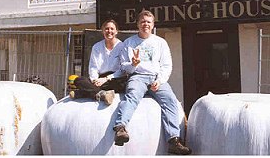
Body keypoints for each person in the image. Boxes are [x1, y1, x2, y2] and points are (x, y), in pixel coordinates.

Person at [113, 10, 192, 155]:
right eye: (143, 22)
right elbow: (124, 67)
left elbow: (167, 65)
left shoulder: (160, 42)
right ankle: (120, 128)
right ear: (137, 24)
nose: (145, 25)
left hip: (156, 78)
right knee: (132, 97)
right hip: (137, 76)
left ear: (153, 24)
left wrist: (160, 80)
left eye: (148, 22)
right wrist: (133, 65)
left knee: (171, 101)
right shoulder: (129, 43)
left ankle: (174, 140)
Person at [69, 19, 127, 105]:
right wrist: (95, 80)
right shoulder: (96, 47)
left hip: (114, 79)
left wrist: (106, 78)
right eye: (106, 29)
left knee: (125, 83)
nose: (109, 31)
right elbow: (93, 67)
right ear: (103, 31)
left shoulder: (122, 46)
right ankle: (102, 94)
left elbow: (123, 70)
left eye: (112, 29)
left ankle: (83, 93)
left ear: (116, 31)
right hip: (99, 79)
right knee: (79, 80)